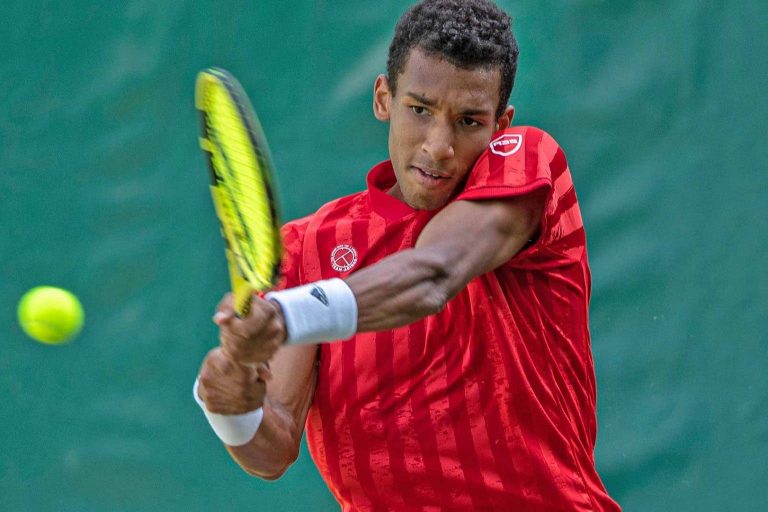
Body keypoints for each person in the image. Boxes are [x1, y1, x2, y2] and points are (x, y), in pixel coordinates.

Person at [194, 0, 621, 510]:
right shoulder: (308, 246)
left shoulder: (528, 163)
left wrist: (286, 316)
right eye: (420, 110)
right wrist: (231, 406)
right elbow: (274, 448)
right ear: (383, 98)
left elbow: (433, 274)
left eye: (469, 121)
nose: (439, 146)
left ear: (500, 125)